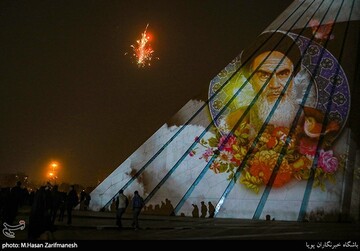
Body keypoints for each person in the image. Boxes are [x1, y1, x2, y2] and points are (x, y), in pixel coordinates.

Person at [226, 31, 315, 135]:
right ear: (251, 80)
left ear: (293, 77)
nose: (275, 85)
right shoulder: (234, 121)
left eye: (283, 74)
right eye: (264, 75)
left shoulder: (316, 119)